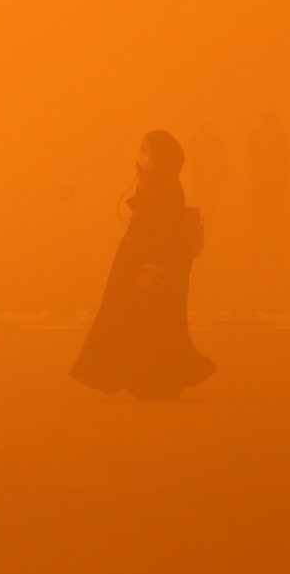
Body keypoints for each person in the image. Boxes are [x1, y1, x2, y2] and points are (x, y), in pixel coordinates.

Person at [72, 130, 216, 401]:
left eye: (146, 151)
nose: (139, 157)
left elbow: (162, 233)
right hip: (142, 266)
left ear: (161, 157)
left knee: (155, 325)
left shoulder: (167, 187)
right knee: (141, 324)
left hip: (155, 270)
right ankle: (145, 379)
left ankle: (157, 381)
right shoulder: (154, 184)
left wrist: (151, 268)